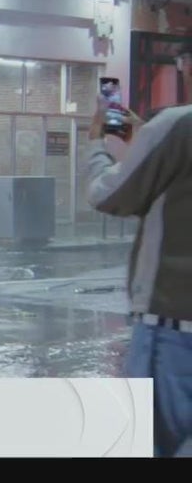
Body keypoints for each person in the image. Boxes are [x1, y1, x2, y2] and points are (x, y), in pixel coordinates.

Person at [86, 49, 192, 458]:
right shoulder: (169, 131)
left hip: (173, 333)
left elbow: (107, 195)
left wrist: (96, 142)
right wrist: (148, 137)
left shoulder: (179, 126)